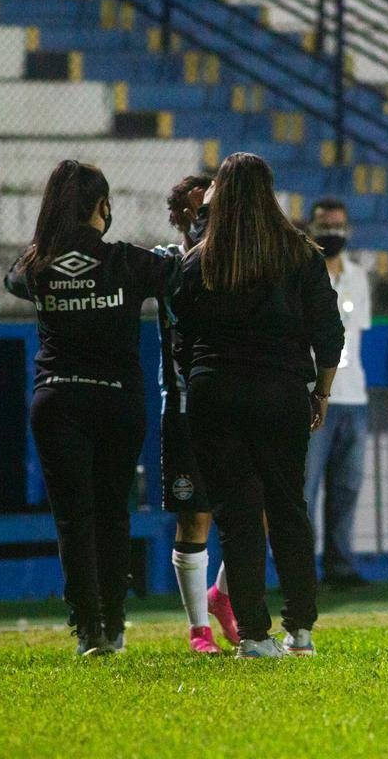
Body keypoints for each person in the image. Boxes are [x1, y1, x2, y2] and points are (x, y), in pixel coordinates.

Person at [171, 152, 344, 659]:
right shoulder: (300, 254)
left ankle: (252, 635)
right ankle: (302, 631)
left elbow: (182, 337)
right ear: (270, 194)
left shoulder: (200, 259)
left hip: (215, 391)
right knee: (287, 507)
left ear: (219, 195)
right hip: (281, 391)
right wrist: (322, 394)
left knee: (237, 515)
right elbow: (328, 334)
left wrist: (199, 381)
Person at [3, 160, 179, 655]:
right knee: (113, 514)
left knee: (74, 519)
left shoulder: (37, 264)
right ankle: (116, 624)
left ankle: (88, 631)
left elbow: (12, 280)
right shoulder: (125, 260)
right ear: (103, 206)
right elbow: (175, 273)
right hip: (118, 401)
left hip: (58, 399)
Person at [156, 174, 244, 653]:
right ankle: (198, 628)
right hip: (186, 406)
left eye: (208, 210)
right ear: (178, 217)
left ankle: (222, 596)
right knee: (196, 518)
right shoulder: (167, 262)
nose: (202, 219)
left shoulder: (239, 262)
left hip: (235, 401)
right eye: (193, 212)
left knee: (262, 508)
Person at [302, 198, 373, 587]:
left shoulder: (359, 276)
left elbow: (357, 332)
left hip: (354, 396)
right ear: (310, 227)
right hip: (313, 393)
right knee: (307, 489)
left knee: (347, 487)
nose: (334, 233)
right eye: (326, 225)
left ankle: (340, 565)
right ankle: (303, 567)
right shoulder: (301, 272)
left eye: (340, 225)